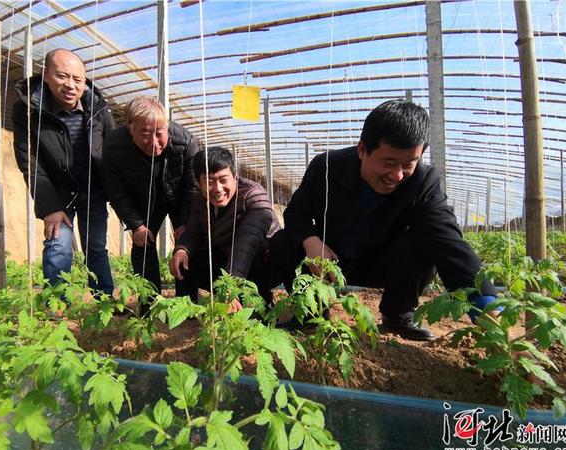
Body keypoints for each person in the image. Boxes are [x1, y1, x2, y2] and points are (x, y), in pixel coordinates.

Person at [269, 99, 499, 341]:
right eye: (388, 163)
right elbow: (296, 212)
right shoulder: (326, 167)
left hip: (385, 265)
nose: (397, 175)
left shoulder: (423, 181)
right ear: (362, 150)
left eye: (409, 164)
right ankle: (310, 313)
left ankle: (398, 314)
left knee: (424, 243)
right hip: (331, 263)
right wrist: (311, 241)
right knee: (282, 241)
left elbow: (449, 243)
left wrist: (492, 314)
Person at [13, 48, 114, 295]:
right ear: (46, 75)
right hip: (57, 191)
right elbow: (30, 160)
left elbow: (114, 151)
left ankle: (104, 300)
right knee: (58, 245)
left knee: (96, 248)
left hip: (93, 190)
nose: (71, 85)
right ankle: (56, 304)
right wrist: (50, 207)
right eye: (62, 76)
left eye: (77, 79)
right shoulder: (29, 110)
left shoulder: (99, 109)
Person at [103, 96, 199, 305]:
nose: (154, 142)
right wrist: (136, 224)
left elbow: (192, 188)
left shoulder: (187, 142)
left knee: (186, 243)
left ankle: (186, 304)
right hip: (142, 198)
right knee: (142, 245)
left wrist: (184, 223)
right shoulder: (114, 146)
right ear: (130, 129)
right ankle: (150, 303)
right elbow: (116, 190)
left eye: (159, 133)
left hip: (178, 196)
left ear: (167, 126)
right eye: (145, 134)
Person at [169, 146, 280, 310]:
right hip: (227, 259)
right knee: (185, 255)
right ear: (199, 183)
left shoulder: (254, 196)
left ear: (235, 177)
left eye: (223, 180)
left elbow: (246, 244)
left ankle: (263, 303)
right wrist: (182, 250)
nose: (218, 189)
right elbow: (192, 232)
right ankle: (186, 307)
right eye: (209, 181)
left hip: (263, 265)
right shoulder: (199, 200)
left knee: (259, 250)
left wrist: (229, 287)